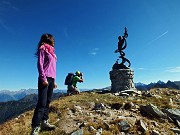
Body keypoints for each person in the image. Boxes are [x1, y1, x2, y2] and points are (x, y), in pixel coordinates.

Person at [30, 33, 57, 135]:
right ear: (48, 39)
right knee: (41, 103)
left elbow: (53, 68)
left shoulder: (53, 53)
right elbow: (40, 64)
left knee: (48, 102)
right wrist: (43, 78)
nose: (54, 41)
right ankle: (35, 127)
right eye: (52, 39)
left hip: (51, 79)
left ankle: (44, 122)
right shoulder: (43, 48)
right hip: (44, 79)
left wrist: (54, 81)